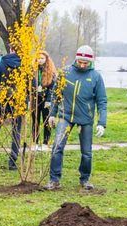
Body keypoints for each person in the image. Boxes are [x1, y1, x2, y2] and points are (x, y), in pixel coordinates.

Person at [46, 45, 107, 191]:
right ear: (76, 59)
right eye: (80, 61)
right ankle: (54, 180)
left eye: (85, 63)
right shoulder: (65, 72)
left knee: (86, 153)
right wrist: (52, 114)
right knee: (57, 147)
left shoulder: (96, 77)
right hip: (65, 116)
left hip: (85, 119)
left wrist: (101, 122)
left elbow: (102, 101)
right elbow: (56, 94)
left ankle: (85, 179)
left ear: (91, 62)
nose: (82, 65)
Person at [32, 51, 57, 145]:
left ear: (46, 59)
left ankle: (46, 142)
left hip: (46, 99)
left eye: (42, 58)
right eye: (38, 58)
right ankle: (35, 141)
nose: (40, 60)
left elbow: (53, 87)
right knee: (35, 121)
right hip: (35, 99)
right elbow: (29, 86)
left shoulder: (51, 71)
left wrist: (49, 100)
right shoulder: (33, 70)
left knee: (46, 120)